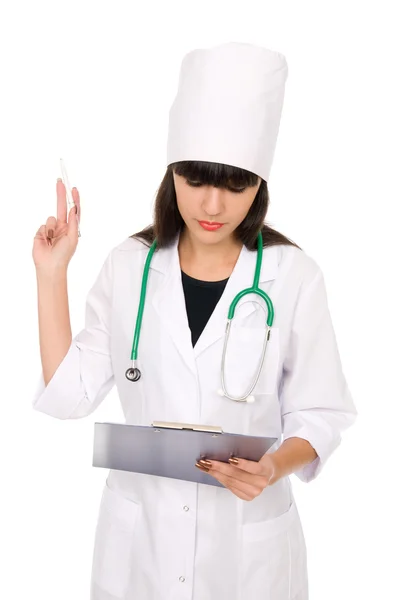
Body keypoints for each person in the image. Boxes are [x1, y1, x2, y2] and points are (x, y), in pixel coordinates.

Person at [32, 42, 357, 600]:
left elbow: (321, 413)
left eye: (235, 185)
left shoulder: (293, 275)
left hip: (248, 554)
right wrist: (51, 275)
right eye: (196, 181)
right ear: (172, 174)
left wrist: (273, 467)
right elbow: (70, 394)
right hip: (141, 550)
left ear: (259, 186)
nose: (212, 205)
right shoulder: (129, 266)